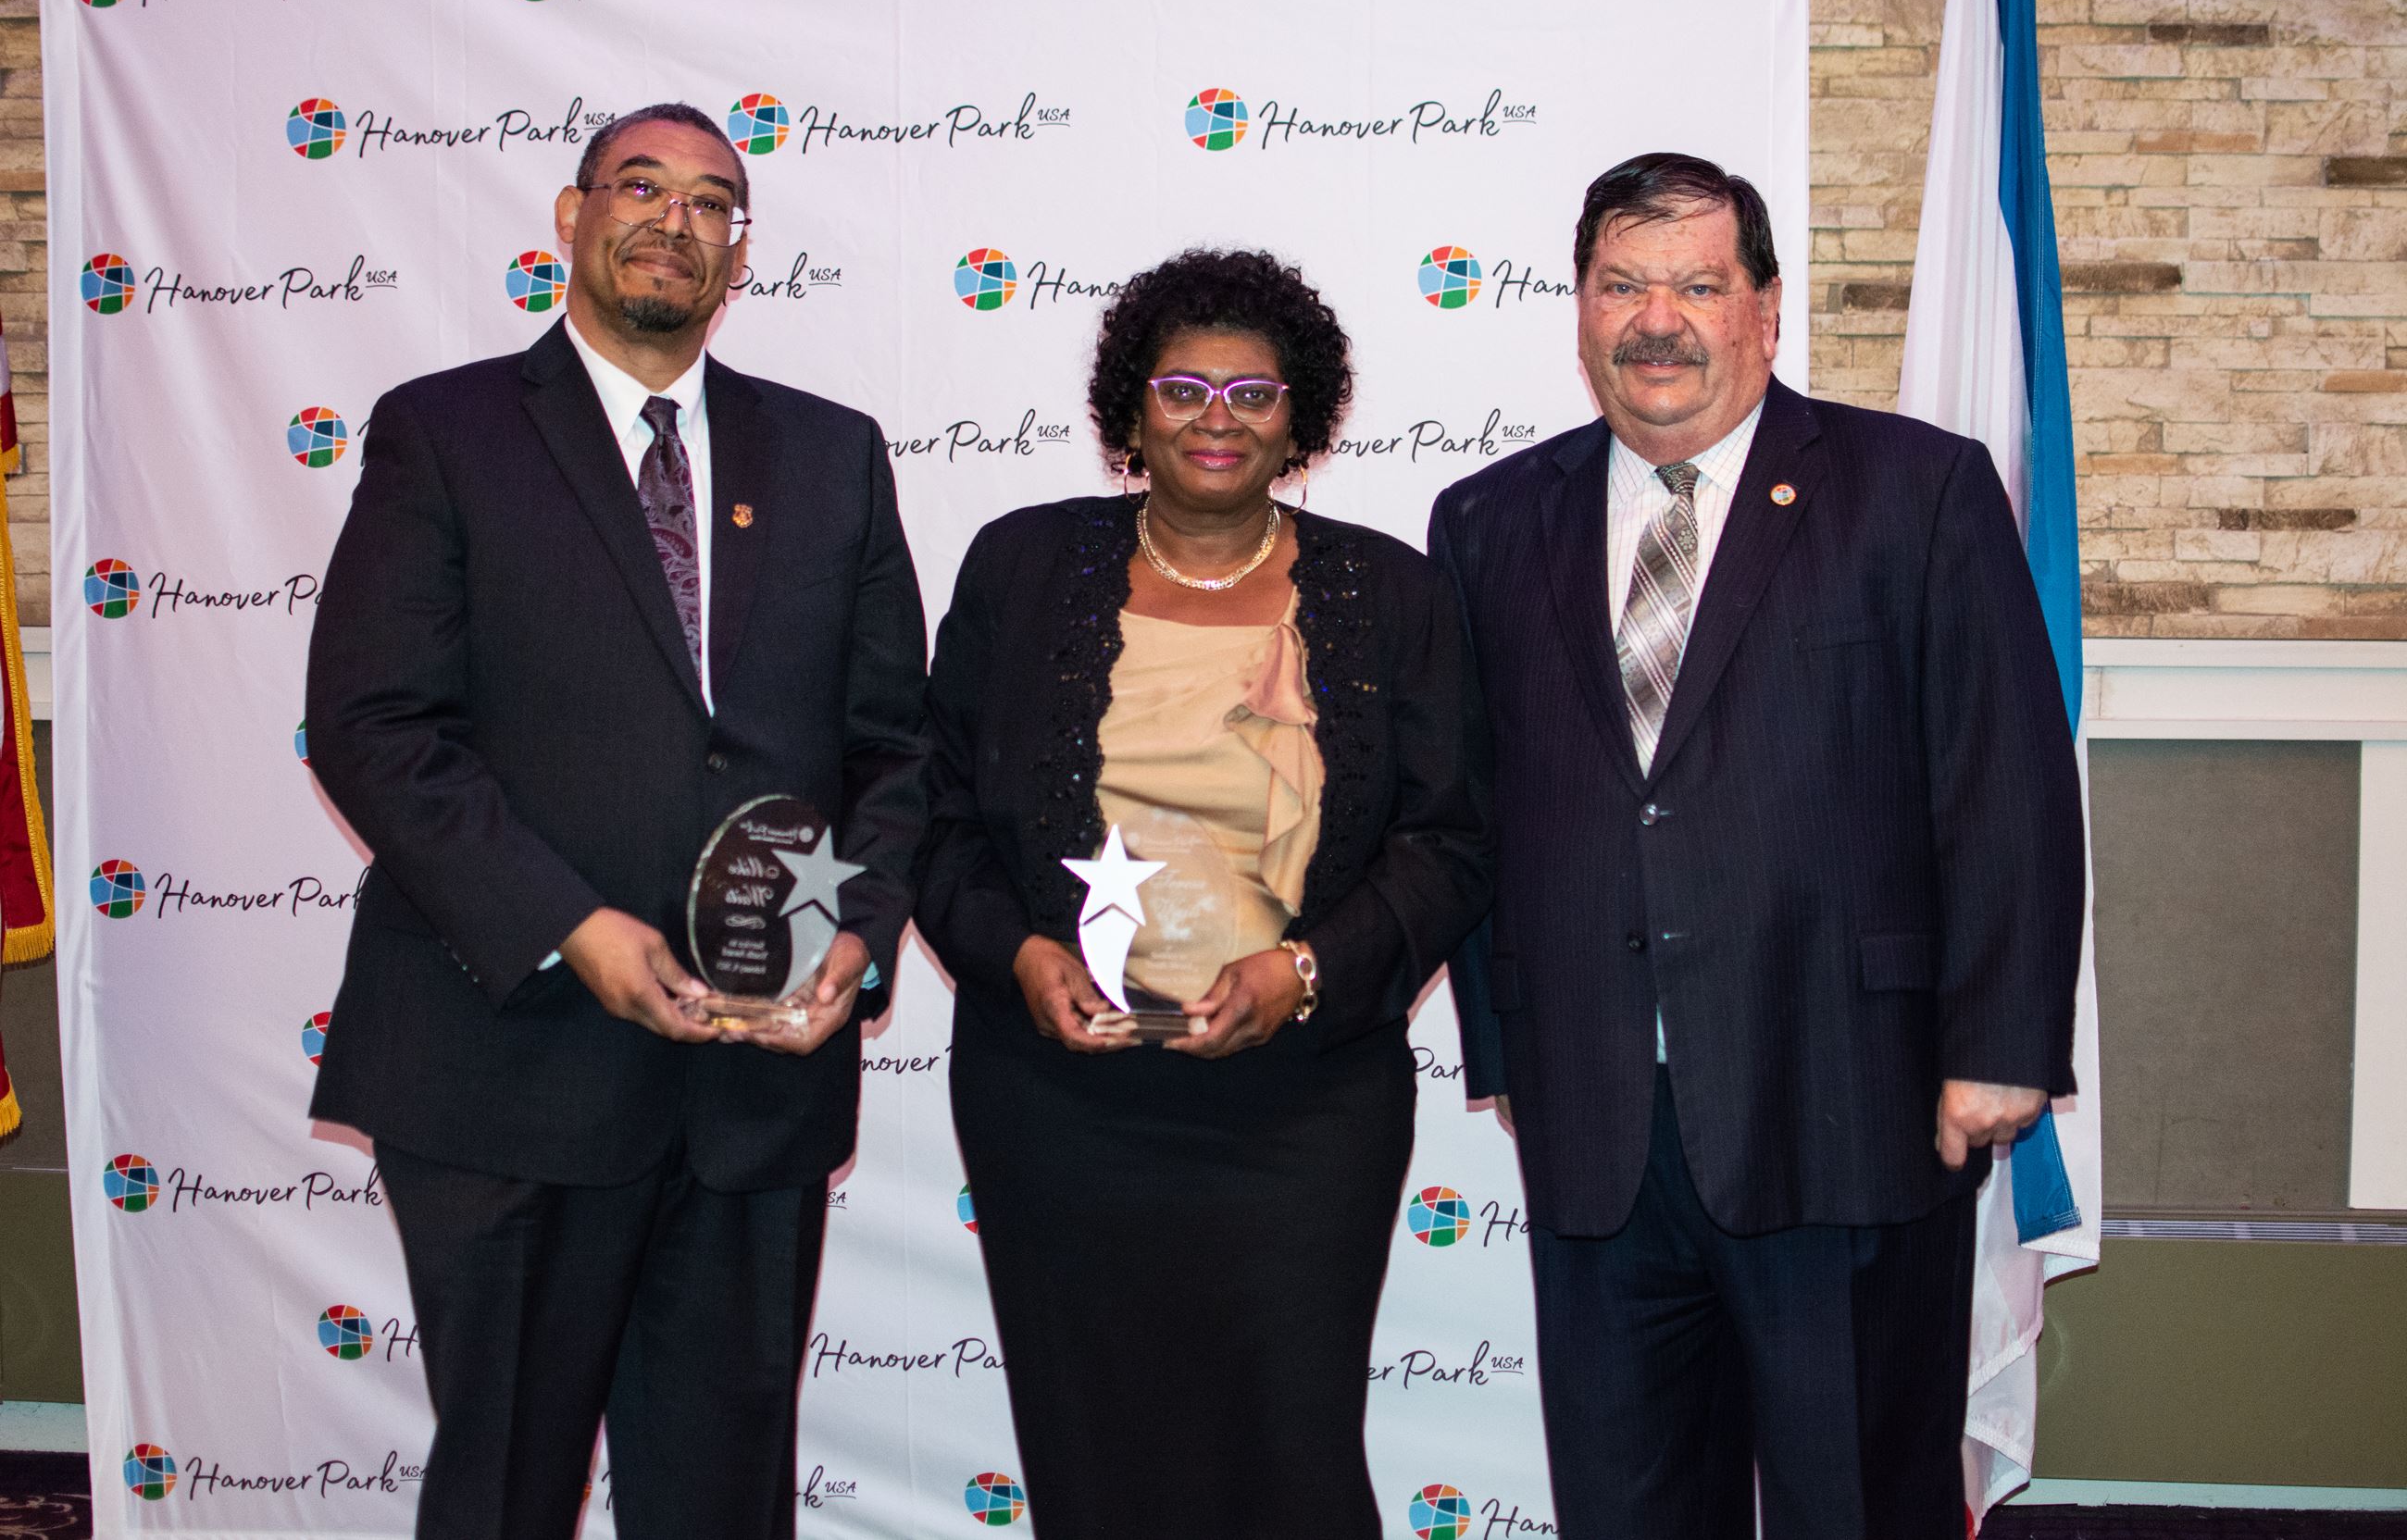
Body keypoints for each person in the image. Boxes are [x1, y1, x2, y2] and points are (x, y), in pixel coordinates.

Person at [1430, 153, 2083, 1538]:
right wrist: (1512, 1050)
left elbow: (2005, 781)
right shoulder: (1488, 523)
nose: (1656, 317)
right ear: (1581, 304)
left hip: (1847, 1097)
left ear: (1766, 311)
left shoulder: (1916, 490)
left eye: (1698, 284)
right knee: (1626, 1503)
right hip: (1602, 1124)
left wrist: (2005, 1038)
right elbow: (1472, 810)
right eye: (1623, 283)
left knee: (1857, 1501)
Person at [304, 103, 929, 1540]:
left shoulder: (833, 456)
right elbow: (373, 723)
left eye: (713, 202)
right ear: (570, 217)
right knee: (508, 1491)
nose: (675, 219)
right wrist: (570, 926)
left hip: (752, 1088)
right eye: (639, 186)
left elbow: (895, 747)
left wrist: (850, 936)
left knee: (720, 1501)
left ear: (738, 253)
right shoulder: (444, 431)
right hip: (507, 1061)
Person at [917, 248, 1490, 1539]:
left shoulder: (1390, 593)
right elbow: (933, 816)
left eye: (1252, 394)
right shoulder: (1020, 570)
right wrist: (1013, 953)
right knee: (1095, 1455)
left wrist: (1306, 970)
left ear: (1304, 417)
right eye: (1182, 389)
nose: (1216, 418)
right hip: (1059, 1104)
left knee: (1290, 1459)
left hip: (1303, 1109)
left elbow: (1450, 842)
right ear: (1132, 411)